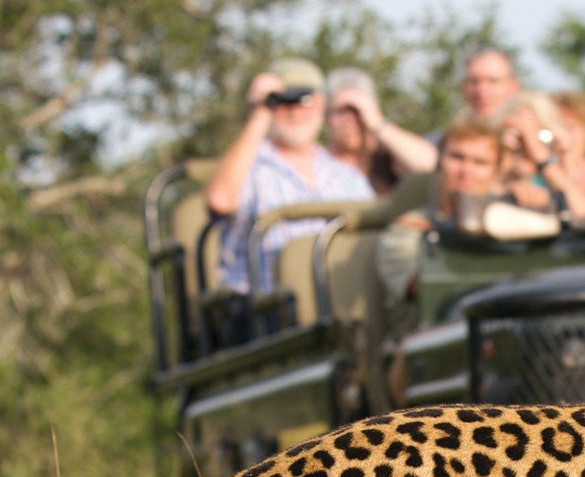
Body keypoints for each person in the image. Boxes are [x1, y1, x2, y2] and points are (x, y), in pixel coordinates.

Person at [205, 59, 374, 317]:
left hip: (339, 304)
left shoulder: (346, 176)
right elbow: (219, 200)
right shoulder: (249, 165)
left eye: (305, 99)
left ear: (322, 106)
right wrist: (260, 115)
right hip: (265, 311)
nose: (295, 111)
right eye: (283, 102)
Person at [373, 115, 505, 326]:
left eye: (480, 162)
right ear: (439, 162)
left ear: (496, 173)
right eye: (457, 157)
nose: (466, 171)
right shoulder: (407, 231)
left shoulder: (510, 225)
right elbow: (433, 289)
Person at [324, 67, 438, 193]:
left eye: (356, 111)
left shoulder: (387, 160)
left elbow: (432, 166)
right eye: (341, 111)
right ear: (326, 116)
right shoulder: (318, 162)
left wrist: (377, 124)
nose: (349, 120)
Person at [495, 91, 585, 221]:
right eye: (520, 136)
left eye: (536, 133)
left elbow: (583, 211)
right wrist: (504, 156)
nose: (527, 145)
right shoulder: (498, 160)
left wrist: (543, 157)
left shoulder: (558, 170)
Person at [458, 47, 522, 121]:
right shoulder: (450, 131)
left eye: (493, 81)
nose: (481, 91)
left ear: (514, 87)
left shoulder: (535, 131)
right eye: (474, 81)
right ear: (463, 87)